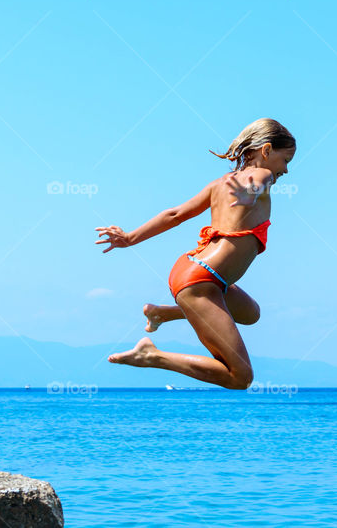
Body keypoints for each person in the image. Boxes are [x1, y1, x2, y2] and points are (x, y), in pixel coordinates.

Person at [95, 118, 296, 389]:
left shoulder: (218, 184)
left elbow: (175, 214)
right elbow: (258, 181)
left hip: (195, 270)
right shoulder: (262, 177)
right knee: (241, 377)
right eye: (286, 160)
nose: (285, 169)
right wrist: (250, 194)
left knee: (251, 313)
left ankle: (162, 313)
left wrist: (130, 237)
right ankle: (152, 355)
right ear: (266, 150)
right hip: (201, 281)